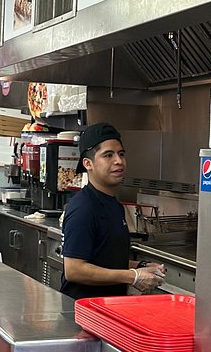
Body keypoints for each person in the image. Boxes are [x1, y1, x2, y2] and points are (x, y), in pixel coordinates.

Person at [60, 123, 166, 299]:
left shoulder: (113, 204)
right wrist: (132, 276)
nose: (119, 161)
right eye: (108, 155)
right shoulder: (84, 208)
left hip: (106, 309)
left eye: (121, 154)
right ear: (88, 164)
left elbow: (104, 259)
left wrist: (140, 266)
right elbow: (74, 270)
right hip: (81, 310)